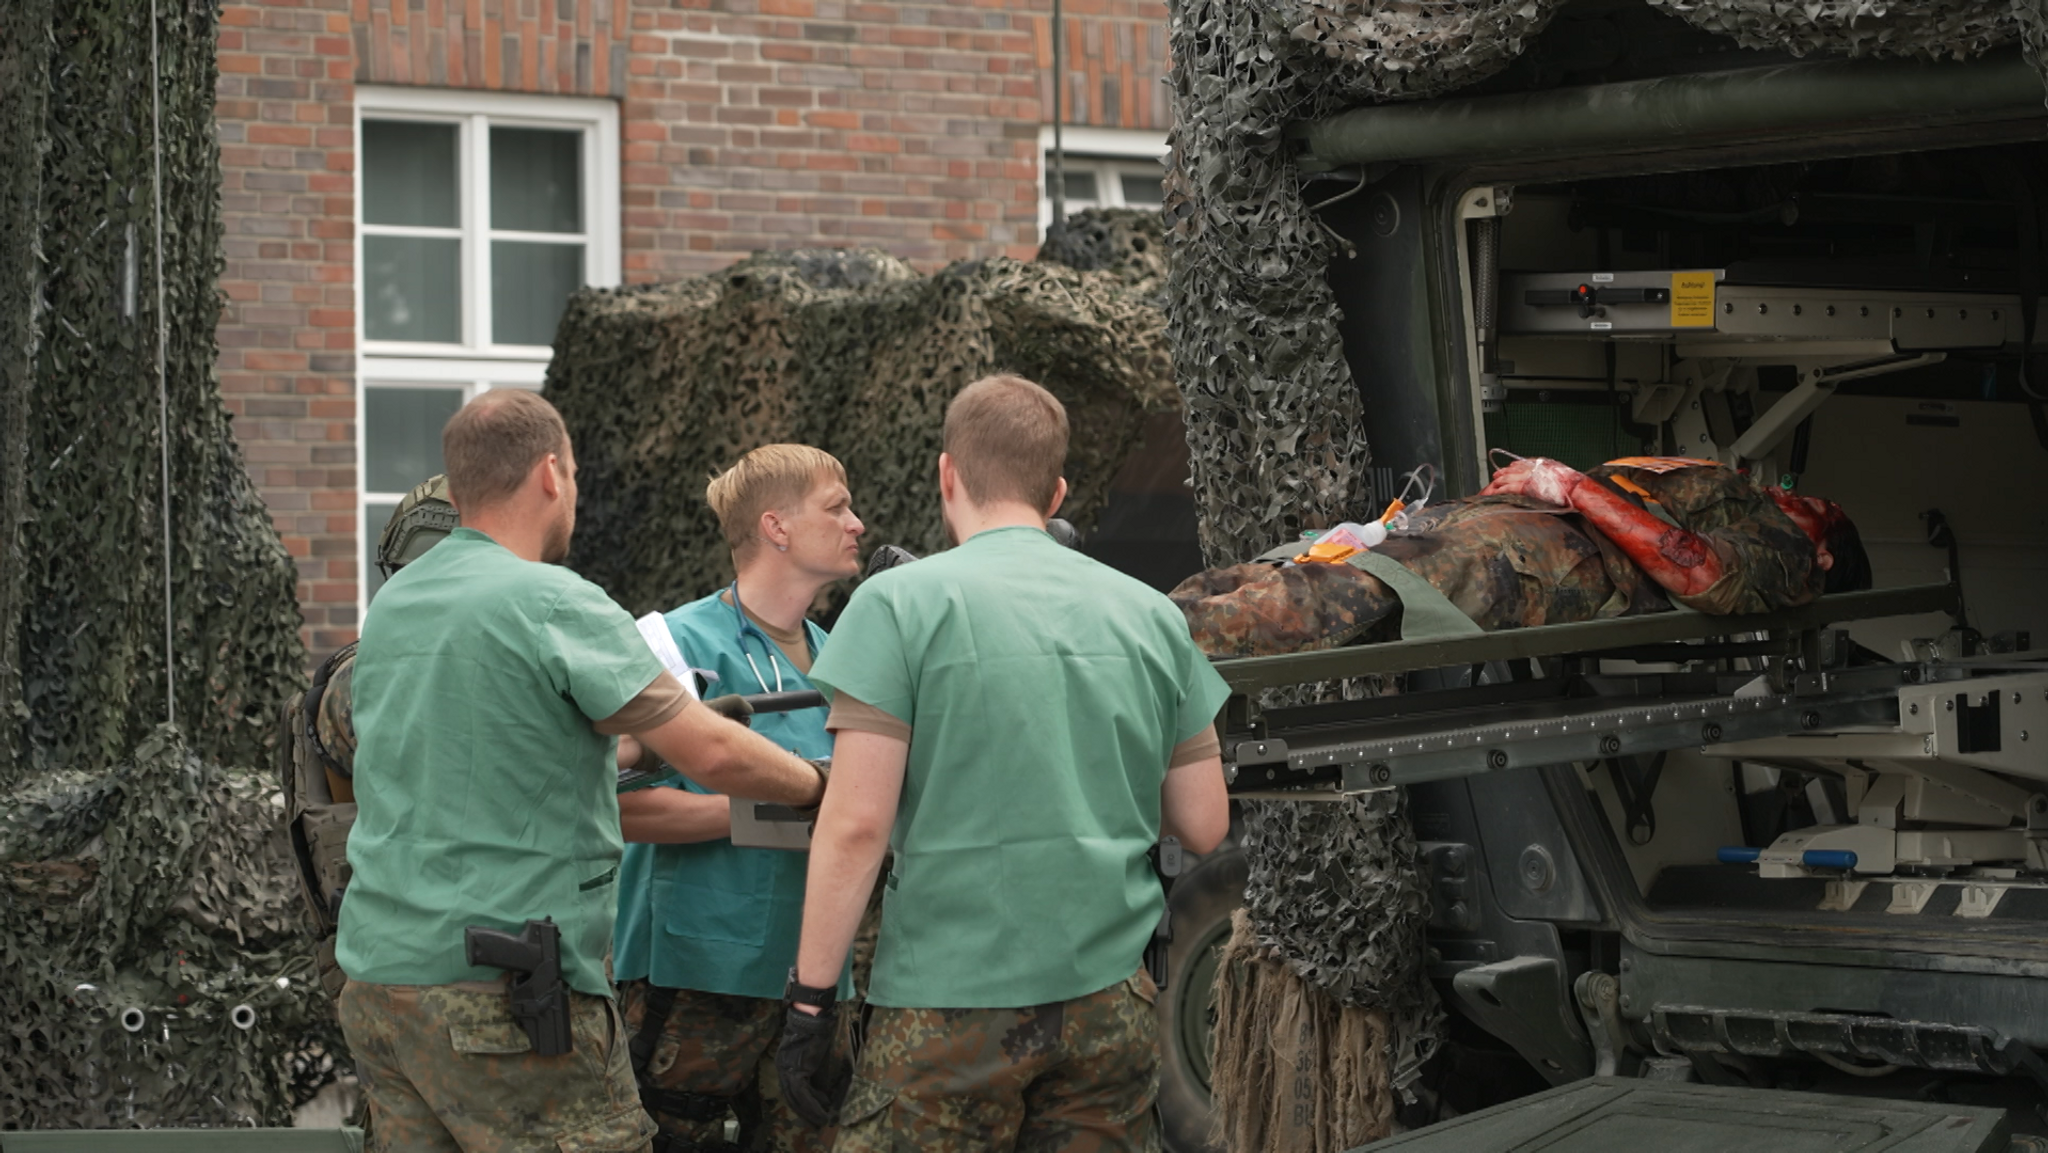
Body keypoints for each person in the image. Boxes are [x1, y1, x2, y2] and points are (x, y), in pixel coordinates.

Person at [335, 390, 829, 1153]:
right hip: (503, 993)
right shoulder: (551, 599)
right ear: (549, 475)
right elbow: (715, 752)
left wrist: (636, 745)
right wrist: (820, 786)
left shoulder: (397, 605)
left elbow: (495, 742)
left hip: (382, 983)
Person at [773, 374, 1234, 1152]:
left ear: (947, 474)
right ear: (1056, 492)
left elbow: (855, 826)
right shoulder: (1153, 614)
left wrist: (812, 1001)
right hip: (1106, 1007)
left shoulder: (897, 606)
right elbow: (1203, 821)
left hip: (946, 1010)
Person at [613, 444, 865, 1153]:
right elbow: (620, 808)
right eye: (837, 505)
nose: (858, 522)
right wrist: (756, 811)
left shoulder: (846, 656)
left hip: (814, 980)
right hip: (691, 978)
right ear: (776, 526)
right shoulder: (671, 642)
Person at [1172, 454, 1870, 658]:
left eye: (1818, 507)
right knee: (1307, 565)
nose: (1797, 495)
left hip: (1551, 555)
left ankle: (1155, 636)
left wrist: (1568, 486)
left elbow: (1702, 575)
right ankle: (1154, 616)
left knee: (1336, 591)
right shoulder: (1750, 508)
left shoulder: (1791, 558)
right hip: (1532, 530)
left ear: (1825, 553)